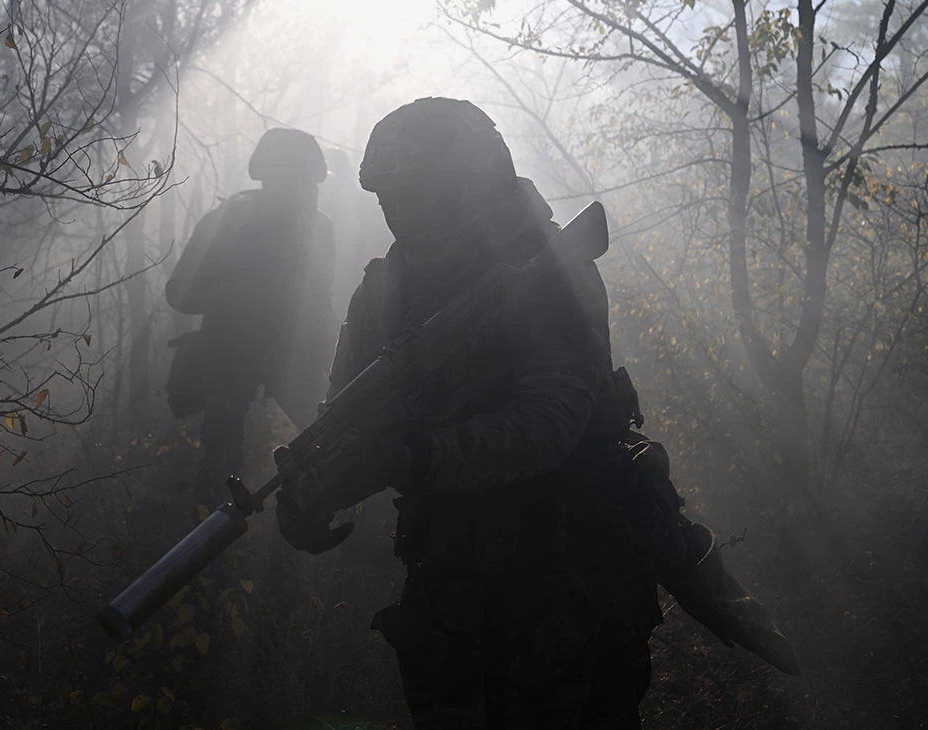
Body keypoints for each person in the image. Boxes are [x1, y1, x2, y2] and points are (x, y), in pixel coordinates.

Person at [273, 97, 660, 729]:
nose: (401, 215)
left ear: (472, 188)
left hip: (566, 573)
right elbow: (344, 415)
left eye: (419, 194)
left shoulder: (549, 273)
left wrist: (412, 457)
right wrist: (312, 490)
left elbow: (549, 426)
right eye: (388, 199)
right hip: (448, 582)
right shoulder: (384, 290)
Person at [164, 128, 337, 505]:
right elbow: (179, 292)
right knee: (220, 471)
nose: (300, 192)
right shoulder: (229, 222)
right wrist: (236, 296)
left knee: (330, 444)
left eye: (304, 182)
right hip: (231, 357)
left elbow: (321, 304)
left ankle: (307, 520)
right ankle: (213, 538)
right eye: (292, 179)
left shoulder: (318, 229)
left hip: (293, 360)